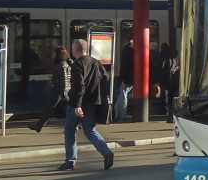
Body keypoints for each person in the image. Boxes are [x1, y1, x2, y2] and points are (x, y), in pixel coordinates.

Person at [58, 38, 114, 171]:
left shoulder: (77, 64)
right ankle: (106, 152)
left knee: (70, 131)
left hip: (77, 103)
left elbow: (79, 86)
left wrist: (77, 105)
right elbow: (105, 77)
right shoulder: (95, 62)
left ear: (75, 50)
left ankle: (70, 160)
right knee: (90, 130)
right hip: (93, 102)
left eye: (72, 49)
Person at [33, 45, 72, 133]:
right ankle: (38, 126)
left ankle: (39, 126)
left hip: (60, 90)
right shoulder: (68, 63)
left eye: (55, 54)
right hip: (66, 89)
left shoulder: (60, 65)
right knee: (68, 109)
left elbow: (63, 78)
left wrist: (62, 92)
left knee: (50, 108)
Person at [114, 39, 134, 122]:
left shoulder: (126, 52)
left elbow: (124, 67)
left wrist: (123, 78)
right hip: (129, 78)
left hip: (125, 78)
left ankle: (116, 114)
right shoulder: (131, 53)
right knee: (123, 96)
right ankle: (119, 114)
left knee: (122, 95)